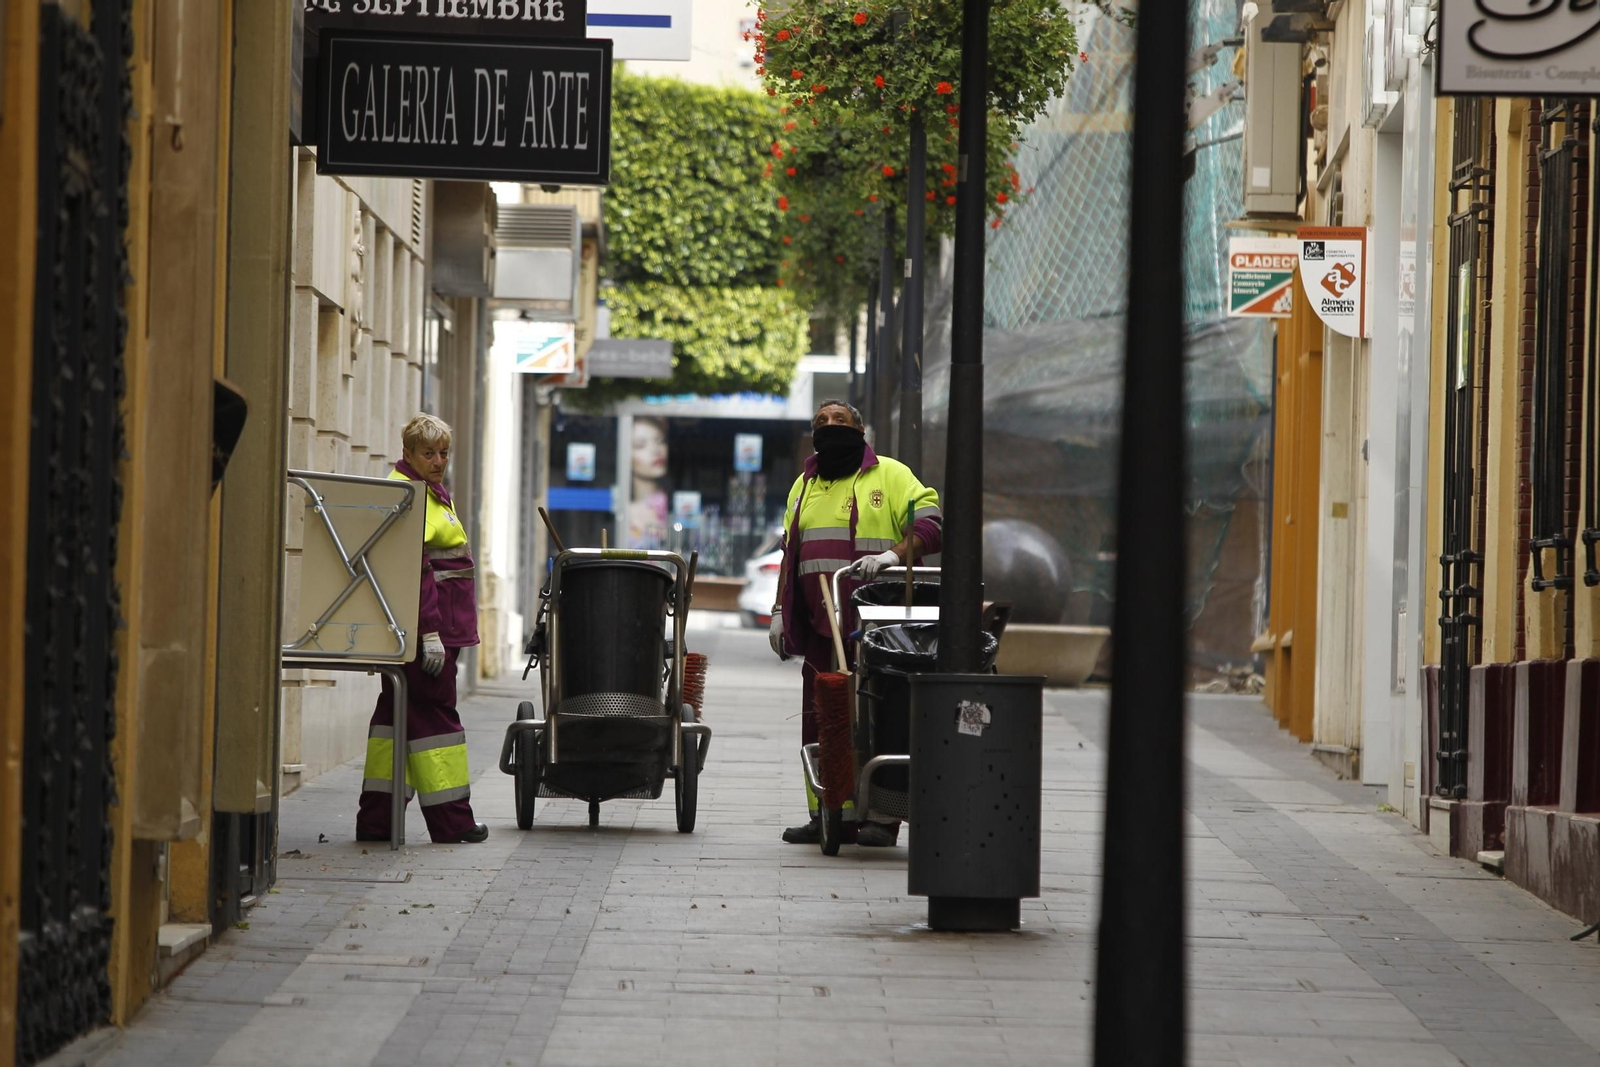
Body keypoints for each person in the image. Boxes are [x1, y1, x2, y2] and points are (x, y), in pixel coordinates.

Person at [769, 399, 942, 847]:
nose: (830, 427)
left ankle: (883, 817)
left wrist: (891, 556)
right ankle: (828, 815)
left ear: (860, 430)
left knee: (880, 721)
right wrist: (776, 612)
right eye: (821, 422)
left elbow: (932, 526)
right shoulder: (803, 486)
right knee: (822, 722)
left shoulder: (891, 475)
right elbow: (791, 554)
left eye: (839, 421)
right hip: (822, 630)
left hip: (880, 632)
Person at [355, 413, 488, 845]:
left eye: (444, 452)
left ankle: (377, 822)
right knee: (436, 720)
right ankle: (453, 823)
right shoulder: (410, 494)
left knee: (394, 722)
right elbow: (415, 573)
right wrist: (429, 633)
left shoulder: (428, 491)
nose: (438, 460)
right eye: (428, 453)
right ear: (408, 452)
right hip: (432, 635)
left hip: (433, 631)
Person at [627, 416, 670, 549]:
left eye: (660, 441)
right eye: (641, 445)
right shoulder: (622, 510)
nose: (656, 451)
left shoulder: (671, 503)